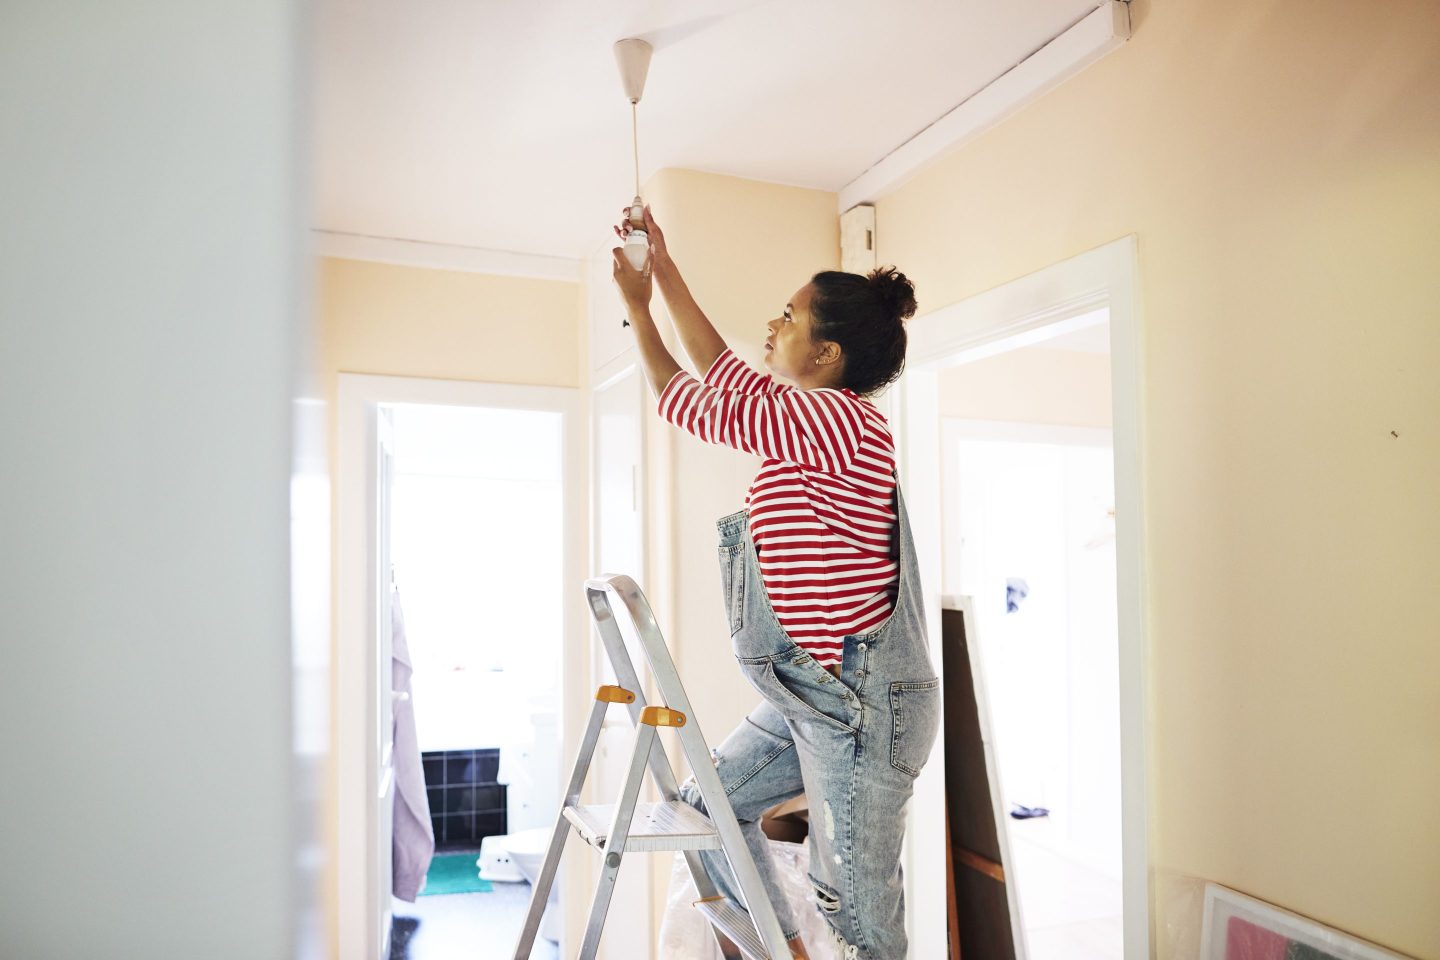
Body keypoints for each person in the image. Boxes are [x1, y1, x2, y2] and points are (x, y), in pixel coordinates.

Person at [612, 206, 940, 960]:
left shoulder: (840, 422)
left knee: (856, 913)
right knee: (710, 810)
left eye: (788, 316)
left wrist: (635, 306)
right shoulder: (804, 416)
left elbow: (686, 398)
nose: (773, 322)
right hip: (813, 694)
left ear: (823, 354)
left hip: (863, 708)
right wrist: (660, 267)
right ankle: (787, 952)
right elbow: (720, 370)